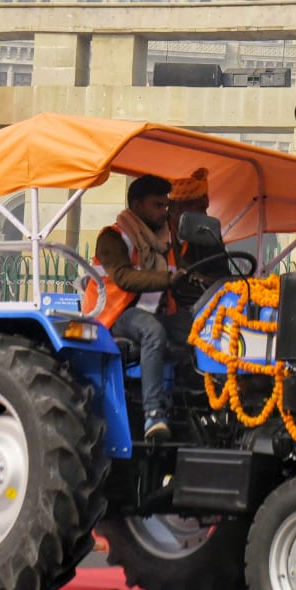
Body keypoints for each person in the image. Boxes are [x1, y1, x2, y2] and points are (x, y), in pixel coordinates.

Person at [82, 174, 193, 440]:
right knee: (152, 331)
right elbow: (124, 277)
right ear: (137, 204)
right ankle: (153, 414)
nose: (164, 212)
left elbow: (181, 276)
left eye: (166, 206)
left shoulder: (166, 242)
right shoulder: (113, 237)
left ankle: (201, 402)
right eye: (158, 205)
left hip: (154, 312)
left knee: (200, 327)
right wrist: (168, 279)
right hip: (114, 316)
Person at [167, 167, 229, 312]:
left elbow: (222, 275)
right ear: (179, 209)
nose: (205, 214)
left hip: (200, 308)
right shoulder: (157, 231)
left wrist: (201, 278)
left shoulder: (208, 232)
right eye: (201, 208)